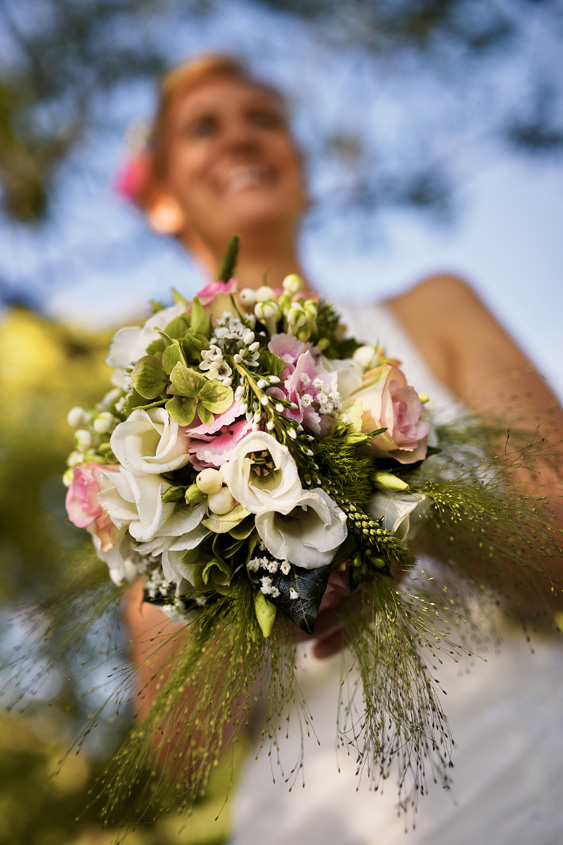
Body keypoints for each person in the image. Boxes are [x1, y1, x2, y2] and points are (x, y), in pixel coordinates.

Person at [124, 54, 563, 844]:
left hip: (527, 765)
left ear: (302, 167)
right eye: (203, 127)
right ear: (159, 197)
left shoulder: (437, 308)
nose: (240, 139)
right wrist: (248, 598)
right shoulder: (146, 432)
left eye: (263, 119)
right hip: (312, 812)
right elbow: (181, 748)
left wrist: (399, 509)